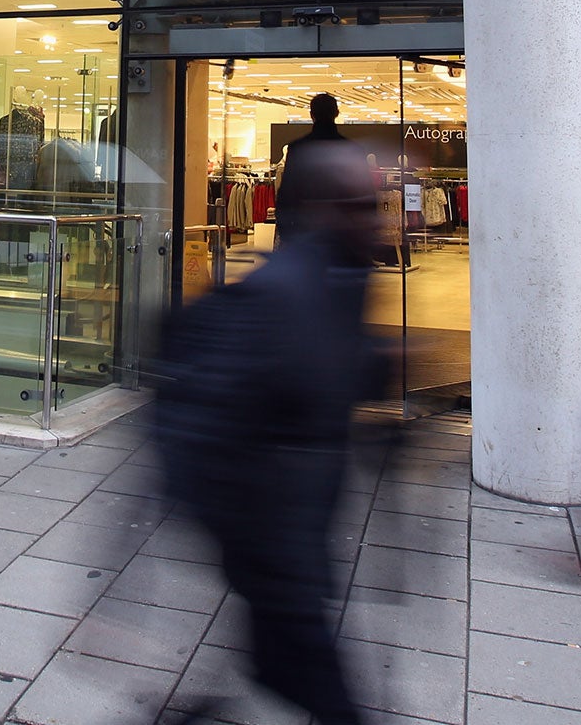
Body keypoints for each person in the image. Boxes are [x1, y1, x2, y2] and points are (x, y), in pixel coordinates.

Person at [155, 136, 379, 725]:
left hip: (282, 534)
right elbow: (204, 425)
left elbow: (331, 372)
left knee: (277, 663)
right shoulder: (283, 294)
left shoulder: (336, 281)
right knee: (312, 679)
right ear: (328, 207)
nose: (376, 220)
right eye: (361, 205)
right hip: (272, 535)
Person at [275, 93, 349, 244]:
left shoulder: (298, 149)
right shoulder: (350, 149)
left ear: (311, 115)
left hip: (305, 230)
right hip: (341, 233)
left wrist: (286, 233)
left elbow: (287, 195)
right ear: (336, 113)